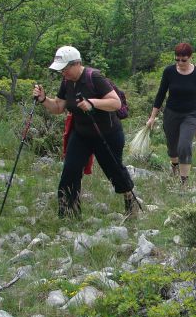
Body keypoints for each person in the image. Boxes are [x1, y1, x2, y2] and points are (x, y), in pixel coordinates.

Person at [32, 46, 140, 219]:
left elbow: (116, 103)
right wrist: (44, 99)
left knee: (114, 171)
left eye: (65, 68)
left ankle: (129, 199)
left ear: (77, 64)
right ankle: (69, 215)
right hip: (81, 134)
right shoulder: (67, 81)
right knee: (70, 171)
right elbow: (59, 107)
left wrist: (92, 103)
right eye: (60, 69)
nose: (63, 73)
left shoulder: (94, 77)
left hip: (107, 134)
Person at [147, 42, 196, 187]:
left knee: (184, 145)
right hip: (171, 113)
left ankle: (184, 182)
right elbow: (160, 95)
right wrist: (152, 117)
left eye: (184, 60)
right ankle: (175, 167)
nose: (180, 63)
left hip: (190, 114)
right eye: (177, 59)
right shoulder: (169, 71)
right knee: (172, 146)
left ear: (191, 57)